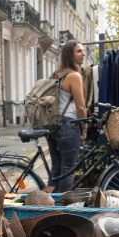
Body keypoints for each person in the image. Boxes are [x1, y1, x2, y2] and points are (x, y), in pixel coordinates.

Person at [47, 40, 88, 193]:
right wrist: (84, 128)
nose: (83, 54)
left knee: (56, 168)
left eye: (83, 51)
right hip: (69, 125)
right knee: (68, 169)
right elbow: (81, 107)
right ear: (69, 54)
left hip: (53, 124)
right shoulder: (74, 76)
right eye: (79, 51)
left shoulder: (56, 74)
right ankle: (63, 207)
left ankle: (51, 206)